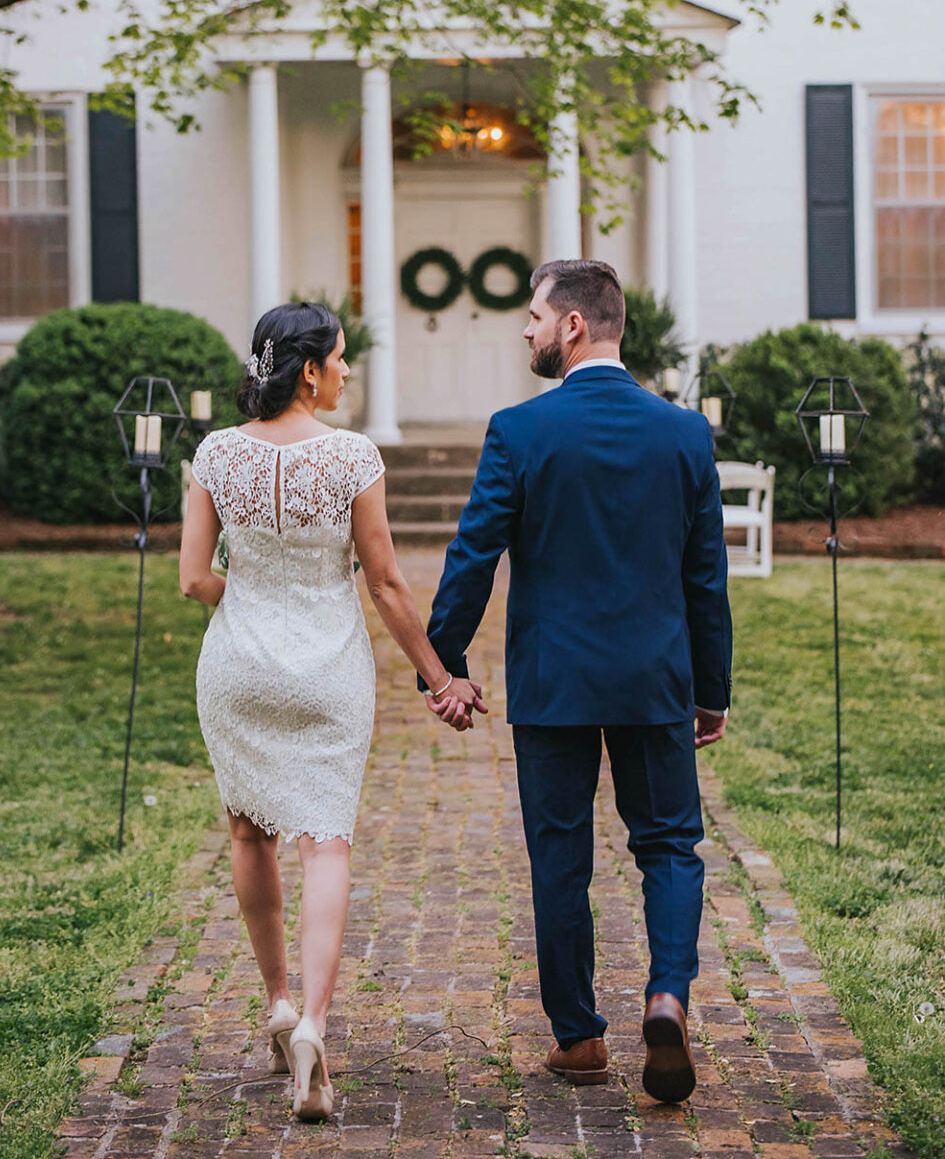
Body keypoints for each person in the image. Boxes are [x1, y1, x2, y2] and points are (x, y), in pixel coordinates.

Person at [424, 259, 732, 1103]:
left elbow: (473, 554)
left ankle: (580, 1039)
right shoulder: (682, 434)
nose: (522, 329)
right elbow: (706, 576)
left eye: (531, 316)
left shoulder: (518, 432)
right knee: (668, 843)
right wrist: (711, 689)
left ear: (571, 327)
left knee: (558, 858)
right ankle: (666, 992)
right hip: (654, 677)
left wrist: (442, 659)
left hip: (554, 678)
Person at [179, 301, 484, 1121]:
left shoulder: (213, 454)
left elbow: (193, 579)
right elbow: (384, 583)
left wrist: (246, 602)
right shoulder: (352, 457)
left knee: (248, 831)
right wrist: (437, 678)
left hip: (236, 665)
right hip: (327, 669)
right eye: (342, 358)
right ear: (309, 370)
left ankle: (277, 1000)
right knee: (325, 842)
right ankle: (314, 1023)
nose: (349, 370)